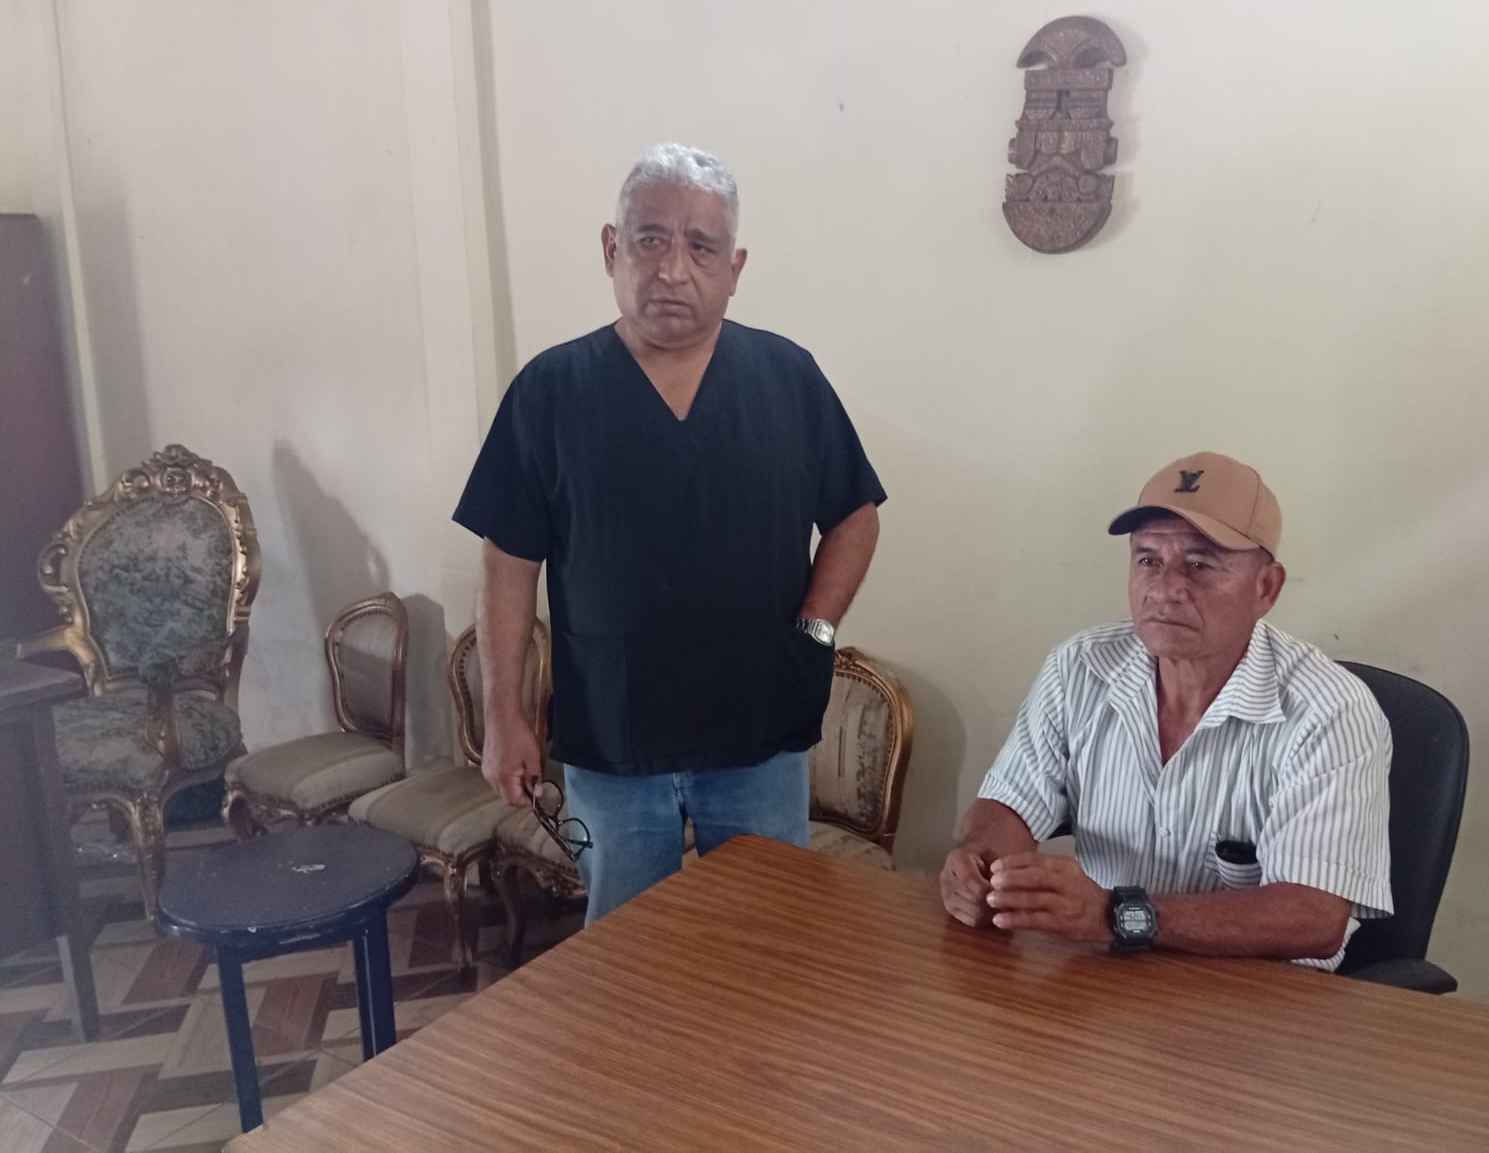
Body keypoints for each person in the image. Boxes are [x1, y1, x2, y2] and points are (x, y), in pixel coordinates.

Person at [454, 144, 885, 923]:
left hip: (759, 733)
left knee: (766, 939)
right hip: (613, 741)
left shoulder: (788, 380)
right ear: (611, 248)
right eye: (650, 239)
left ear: (735, 267)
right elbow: (508, 558)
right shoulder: (550, 392)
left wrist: (814, 633)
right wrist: (504, 714)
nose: (673, 269)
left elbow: (856, 515)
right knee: (626, 952)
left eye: (701, 246)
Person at [940, 452, 1391, 969]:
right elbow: (1011, 803)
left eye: (1199, 565)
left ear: (1265, 588)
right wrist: (983, 869)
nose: (1164, 589)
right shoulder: (1079, 668)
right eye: (1148, 560)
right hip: (1102, 976)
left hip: (1258, 995)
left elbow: (1313, 917)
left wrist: (1116, 914)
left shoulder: (1331, 711)